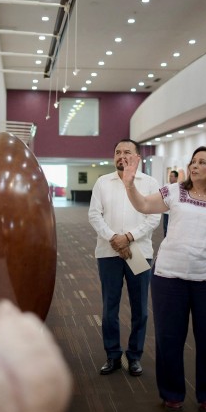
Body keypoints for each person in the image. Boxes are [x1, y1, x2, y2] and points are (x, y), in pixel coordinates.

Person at [121, 146, 206, 412]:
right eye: (193, 161)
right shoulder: (174, 191)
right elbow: (143, 205)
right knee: (169, 338)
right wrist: (129, 185)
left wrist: (204, 254)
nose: (195, 166)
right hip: (169, 277)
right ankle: (172, 394)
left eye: (202, 162)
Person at [88, 139, 160, 377]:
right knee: (110, 307)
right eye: (117, 152)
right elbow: (94, 215)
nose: (121, 156)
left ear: (137, 157)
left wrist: (128, 237)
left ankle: (134, 356)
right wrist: (114, 239)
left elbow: (154, 217)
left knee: (140, 308)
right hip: (108, 253)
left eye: (127, 152)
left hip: (140, 253)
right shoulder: (102, 182)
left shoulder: (149, 183)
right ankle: (112, 355)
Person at [161, 170, 179, 236]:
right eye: (169, 176)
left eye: (171, 176)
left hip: (175, 212)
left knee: (174, 229)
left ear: (176, 178)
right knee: (165, 228)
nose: (170, 178)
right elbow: (162, 197)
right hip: (166, 212)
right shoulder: (166, 186)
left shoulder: (179, 187)